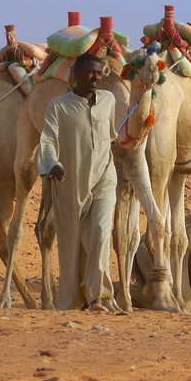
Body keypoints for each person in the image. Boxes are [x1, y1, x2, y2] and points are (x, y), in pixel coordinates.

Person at [37, 52, 118, 311]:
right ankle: (73, 300)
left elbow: (111, 135)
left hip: (105, 178)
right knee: (72, 242)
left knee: (101, 232)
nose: (95, 77)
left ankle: (98, 297)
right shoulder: (58, 106)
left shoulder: (109, 100)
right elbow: (48, 140)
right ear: (76, 75)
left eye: (98, 72)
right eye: (90, 72)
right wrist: (52, 163)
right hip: (70, 180)